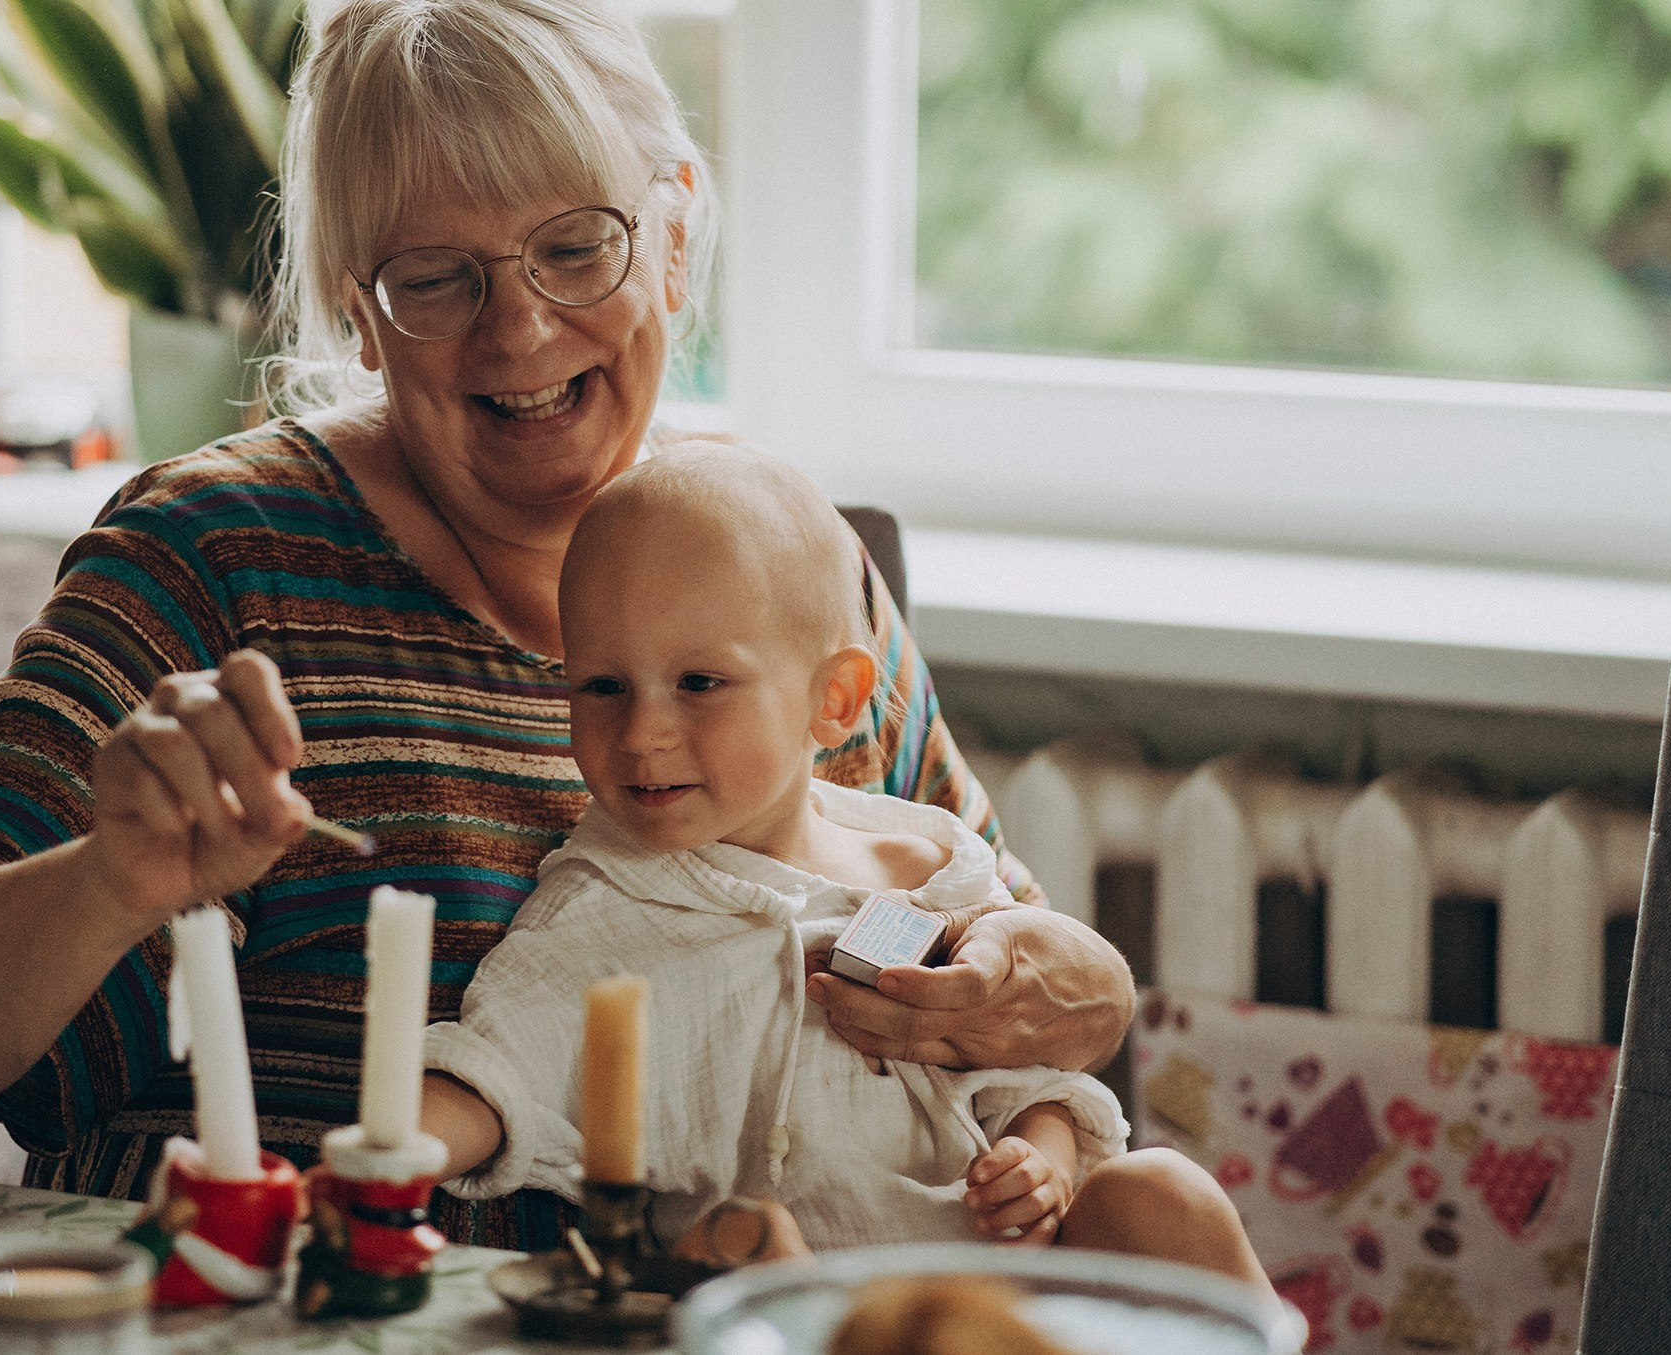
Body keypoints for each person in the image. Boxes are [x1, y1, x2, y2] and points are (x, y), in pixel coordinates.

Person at [0, 0, 1136, 1248]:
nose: (520, 328)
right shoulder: (214, 561)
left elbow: (1013, 971)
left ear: (673, 236)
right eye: (435, 279)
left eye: (578, 247)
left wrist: (1078, 988)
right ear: (358, 311)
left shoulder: (777, 559)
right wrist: (109, 878)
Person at [413, 444, 1270, 1288]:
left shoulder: (933, 871)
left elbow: (1035, 1081)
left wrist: (1037, 1162)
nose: (641, 733)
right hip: (807, 1317)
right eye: (602, 686)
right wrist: (392, 1148)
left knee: (1163, 1191)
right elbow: (494, 1071)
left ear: (835, 699)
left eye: (700, 682)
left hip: (1002, 1302)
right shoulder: (603, 899)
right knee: (743, 1237)